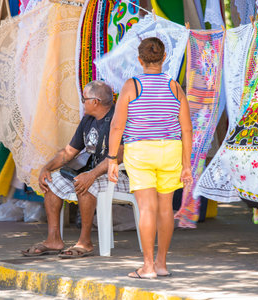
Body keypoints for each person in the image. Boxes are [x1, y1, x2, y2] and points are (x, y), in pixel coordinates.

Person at [107, 37, 193, 279]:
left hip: (140, 151)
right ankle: (162, 264)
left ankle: (147, 267)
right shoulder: (175, 86)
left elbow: (116, 127)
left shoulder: (131, 86)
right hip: (171, 150)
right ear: (164, 58)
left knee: (147, 208)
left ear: (140, 60)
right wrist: (187, 165)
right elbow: (187, 129)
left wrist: (112, 159)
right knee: (166, 208)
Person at [22, 80, 129, 258]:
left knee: (84, 182)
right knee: (52, 181)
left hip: (117, 176)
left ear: (95, 101)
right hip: (93, 172)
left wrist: (92, 175)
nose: (82, 102)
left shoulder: (118, 118)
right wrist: (46, 168)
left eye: (84, 99)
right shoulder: (88, 120)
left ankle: (85, 242)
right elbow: (69, 152)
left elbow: (119, 155)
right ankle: (53, 239)